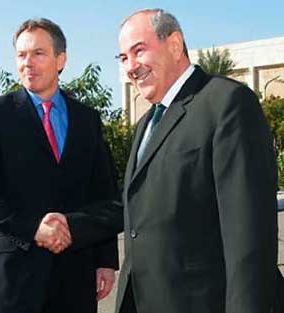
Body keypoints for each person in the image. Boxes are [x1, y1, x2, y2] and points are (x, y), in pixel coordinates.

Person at [50, 8, 280, 313]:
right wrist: (71, 224)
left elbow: (248, 231)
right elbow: (134, 204)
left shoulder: (226, 103)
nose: (130, 66)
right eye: (123, 57)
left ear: (174, 44)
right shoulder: (147, 123)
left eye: (138, 51)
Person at [0, 18, 119, 313]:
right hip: (10, 278)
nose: (27, 63)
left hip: (74, 276)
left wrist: (106, 261)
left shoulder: (87, 119)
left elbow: (103, 191)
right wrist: (32, 229)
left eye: (38, 54)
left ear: (61, 60)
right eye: (21, 55)